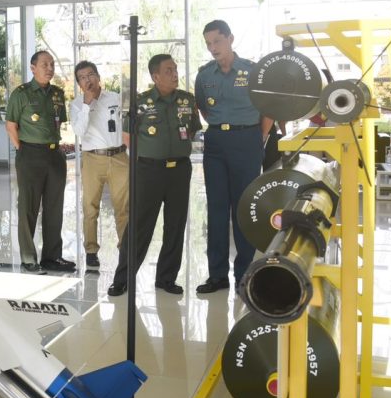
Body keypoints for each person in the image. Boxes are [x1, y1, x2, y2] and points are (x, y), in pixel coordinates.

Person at [107, 54, 199, 297]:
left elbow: (191, 131)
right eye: (168, 70)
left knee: (175, 225)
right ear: (155, 76)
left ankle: (166, 278)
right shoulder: (141, 102)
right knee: (139, 225)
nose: (175, 73)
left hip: (179, 170)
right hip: (149, 171)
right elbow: (127, 137)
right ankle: (123, 278)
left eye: (176, 69)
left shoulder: (187, 100)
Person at [194, 19, 271, 294]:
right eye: (208, 43)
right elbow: (203, 109)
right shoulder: (204, 76)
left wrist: (257, 138)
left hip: (247, 140)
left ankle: (244, 274)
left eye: (217, 41)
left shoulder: (252, 71)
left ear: (230, 39)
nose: (213, 48)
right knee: (216, 210)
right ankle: (217, 276)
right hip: (215, 143)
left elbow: (268, 109)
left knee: (244, 209)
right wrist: (223, 127)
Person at [5, 51, 74, 274]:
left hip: (55, 155)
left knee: (54, 208)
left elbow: (57, 124)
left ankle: (52, 257)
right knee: (28, 206)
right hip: (30, 155)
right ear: (33, 67)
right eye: (44, 64)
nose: (50, 68)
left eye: (52, 64)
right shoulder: (21, 94)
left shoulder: (57, 94)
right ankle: (28, 257)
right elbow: (11, 125)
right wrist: (23, 150)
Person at [70, 61, 128, 268]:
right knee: (90, 207)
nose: (88, 79)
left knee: (123, 207)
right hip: (92, 159)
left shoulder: (115, 98)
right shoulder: (77, 104)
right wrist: (87, 104)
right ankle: (91, 250)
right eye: (83, 77)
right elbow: (79, 132)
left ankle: (125, 247)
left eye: (91, 75)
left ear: (98, 76)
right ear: (79, 83)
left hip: (119, 157)